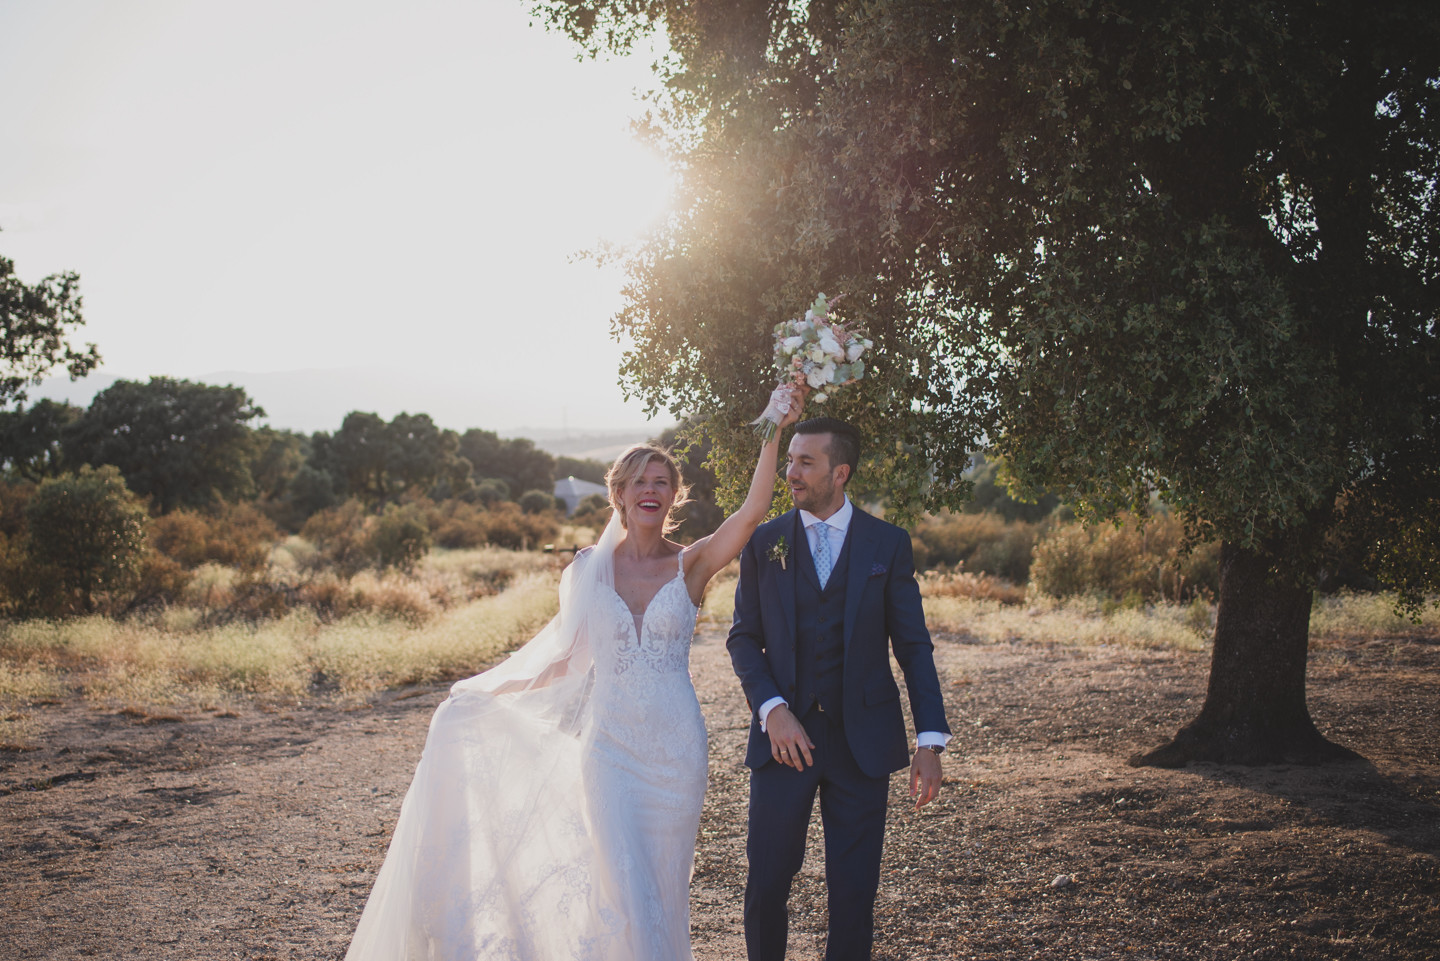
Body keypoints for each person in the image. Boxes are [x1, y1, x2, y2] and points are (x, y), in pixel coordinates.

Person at [343, 386, 805, 961]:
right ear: (617, 494)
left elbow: (753, 511)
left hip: (674, 752)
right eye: (638, 481)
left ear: (674, 496)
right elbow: (566, 659)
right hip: (608, 751)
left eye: (661, 482)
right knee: (622, 887)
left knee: (663, 889)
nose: (650, 490)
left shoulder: (691, 564)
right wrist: (489, 694)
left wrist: (776, 429)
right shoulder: (589, 570)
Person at [727, 416, 952, 961]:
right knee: (767, 883)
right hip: (784, 743)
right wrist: (773, 709)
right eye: (790, 461)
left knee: (854, 892)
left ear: (841, 472)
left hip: (863, 744)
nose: (792, 474)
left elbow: (913, 646)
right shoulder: (765, 542)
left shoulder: (887, 543)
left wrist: (930, 740)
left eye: (806, 462)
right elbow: (742, 639)